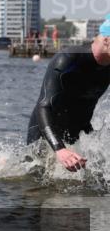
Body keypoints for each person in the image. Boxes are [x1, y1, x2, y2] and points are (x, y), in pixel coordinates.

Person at [27, 16, 110, 172]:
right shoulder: (68, 59)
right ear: (106, 40)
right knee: (35, 179)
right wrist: (60, 149)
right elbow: (44, 106)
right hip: (45, 137)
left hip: (77, 139)